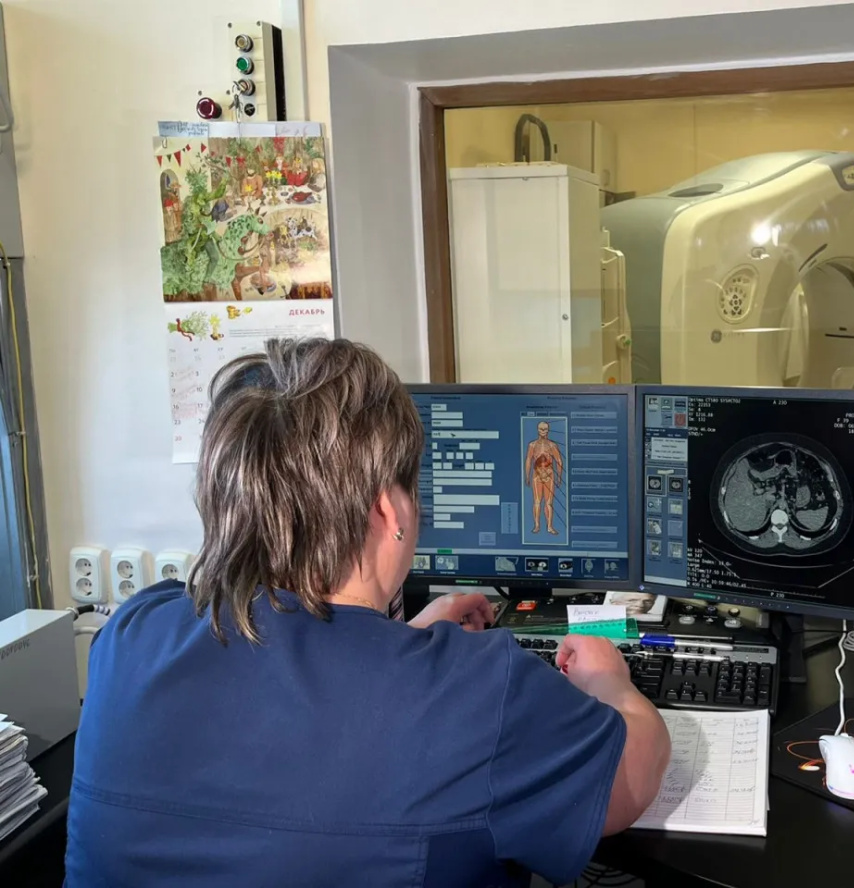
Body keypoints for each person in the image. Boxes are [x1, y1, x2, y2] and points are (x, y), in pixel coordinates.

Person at [66, 338, 670, 887]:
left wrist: (409, 640)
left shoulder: (129, 637)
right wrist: (611, 684)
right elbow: (629, 783)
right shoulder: (477, 691)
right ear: (389, 511)